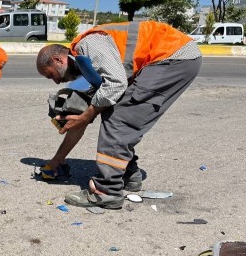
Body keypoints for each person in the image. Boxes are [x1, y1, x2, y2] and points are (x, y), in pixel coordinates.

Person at [36, 20, 202, 209]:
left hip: (173, 57)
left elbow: (115, 85)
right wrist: (58, 159)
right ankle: (128, 175)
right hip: (170, 58)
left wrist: (88, 114)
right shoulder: (86, 66)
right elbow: (83, 119)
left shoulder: (87, 45)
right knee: (114, 112)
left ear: (57, 60)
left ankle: (106, 191)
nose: (56, 82)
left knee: (118, 119)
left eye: (50, 75)